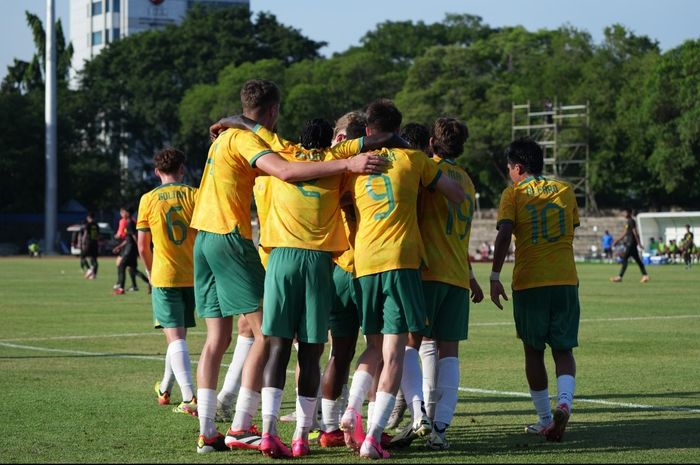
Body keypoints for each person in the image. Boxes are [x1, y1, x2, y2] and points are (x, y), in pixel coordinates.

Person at [190, 79, 388, 454]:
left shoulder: (255, 142)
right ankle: (277, 430)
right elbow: (290, 167)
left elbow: (274, 152)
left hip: (240, 247)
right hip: (303, 257)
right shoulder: (324, 166)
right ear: (274, 110)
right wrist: (352, 160)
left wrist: (231, 120)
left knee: (231, 339)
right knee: (306, 347)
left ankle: (223, 430)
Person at [340, 99, 465, 459]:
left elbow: (342, 203)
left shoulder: (354, 167)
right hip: (401, 260)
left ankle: (351, 410)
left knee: (374, 346)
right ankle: (372, 437)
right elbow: (455, 195)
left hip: (364, 263)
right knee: (396, 350)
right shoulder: (414, 160)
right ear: (399, 128)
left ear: (367, 132)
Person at [489, 137, 580, 442]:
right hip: (566, 280)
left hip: (530, 282)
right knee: (563, 349)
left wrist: (494, 275)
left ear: (518, 167)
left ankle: (544, 419)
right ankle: (564, 403)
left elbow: (504, 235)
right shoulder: (566, 190)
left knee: (533, 351)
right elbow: (571, 228)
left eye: (509, 168)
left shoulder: (513, 194)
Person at [415, 117, 484, 450]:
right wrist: (472, 277)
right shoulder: (468, 181)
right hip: (457, 274)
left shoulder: (429, 171)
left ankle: (420, 417)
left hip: (429, 272)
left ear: (431, 142)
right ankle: (440, 427)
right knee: (450, 352)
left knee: (415, 343)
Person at [136, 148, 198, 416]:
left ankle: (190, 397)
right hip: (192, 274)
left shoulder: (148, 199)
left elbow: (142, 246)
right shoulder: (195, 195)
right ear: (182, 170)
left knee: (175, 339)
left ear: (156, 171)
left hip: (165, 274)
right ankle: (165, 388)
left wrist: (150, 272)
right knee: (177, 337)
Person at [112, 207, 150, 294]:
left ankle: (121, 288)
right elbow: (128, 238)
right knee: (133, 270)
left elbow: (134, 237)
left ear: (127, 213)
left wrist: (139, 247)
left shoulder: (130, 223)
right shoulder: (131, 222)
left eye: (123, 212)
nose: (122, 214)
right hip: (131, 248)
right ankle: (150, 282)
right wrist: (119, 246)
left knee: (121, 266)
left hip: (130, 249)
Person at [610, 209, 649, 283]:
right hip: (632, 244)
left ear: (629, 213)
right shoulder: (629, 221)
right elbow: (625, 233)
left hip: (630, 243)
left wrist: (639, 243)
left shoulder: (631, 221)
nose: (623, 214)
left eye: (625, 212)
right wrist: (617, 240)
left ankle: (620, 277)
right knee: (638, 260)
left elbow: (635, 232)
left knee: (625, 259)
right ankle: (645, 275)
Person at [82, 212, 100, 279]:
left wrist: (83, 242)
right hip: (95, 243)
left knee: (82, 256)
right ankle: (94, 274)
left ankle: (89, 269)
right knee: (94, 259)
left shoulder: (88, 225)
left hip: (89, 243)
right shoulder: (96, 225)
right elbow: (98, 235)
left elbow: (85, 234)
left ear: (88, 217)